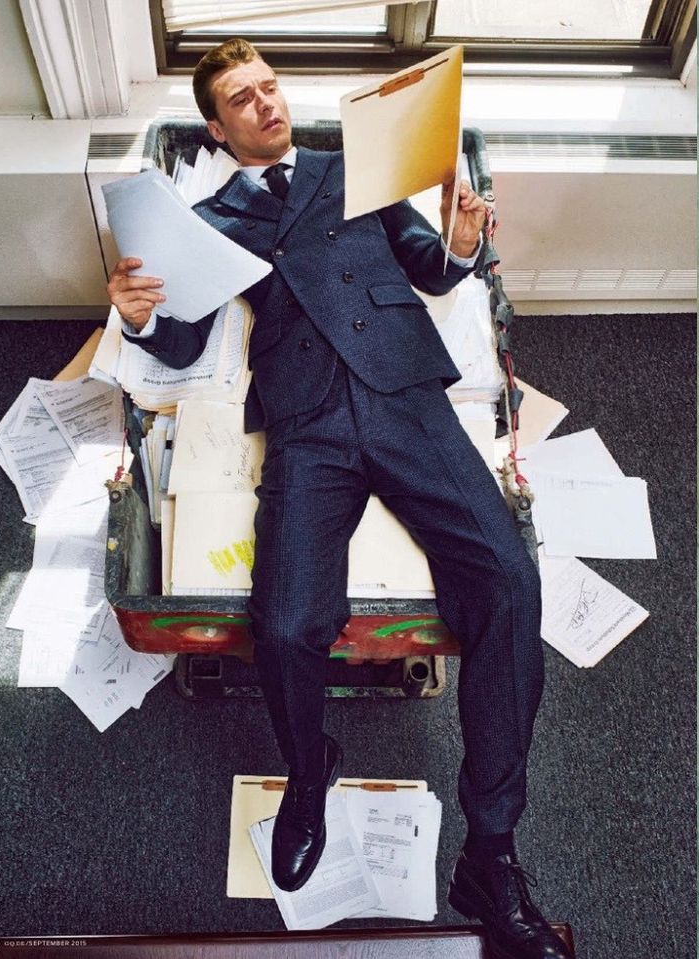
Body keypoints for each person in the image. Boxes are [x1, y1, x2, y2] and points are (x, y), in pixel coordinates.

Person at [107, 39, 573, 959]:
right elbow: (180, 333)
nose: (266, 105)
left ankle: (493, 850)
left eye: (270, 87)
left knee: (511, 584)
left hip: (404, 394)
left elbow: (433, 268)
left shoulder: (354, 168)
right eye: (242, 99)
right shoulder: (208, 211)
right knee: (284, 625)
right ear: (217, 124)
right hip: (307, 418)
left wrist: (466, 241)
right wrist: (138, 312)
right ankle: (309, 769)